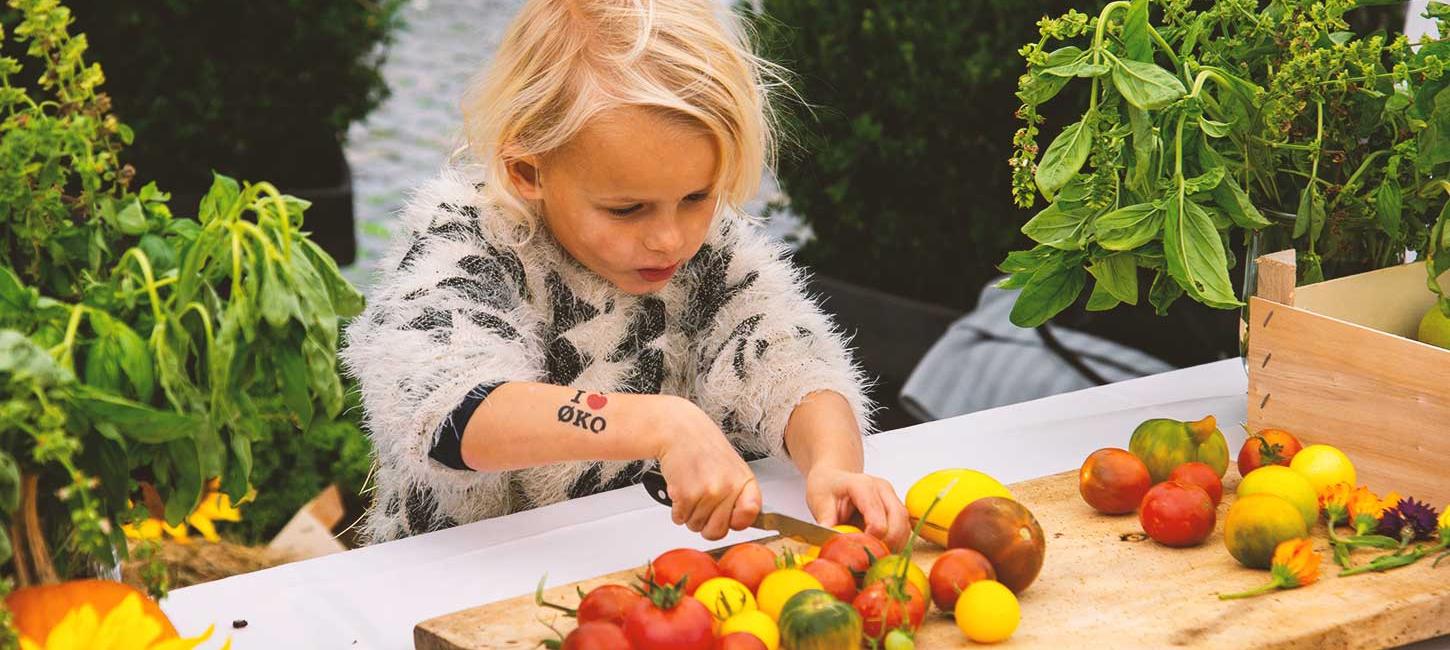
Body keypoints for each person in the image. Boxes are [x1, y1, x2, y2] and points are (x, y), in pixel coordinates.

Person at [341, 0, 910, 549]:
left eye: (696, 196)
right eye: (626, 209)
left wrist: (833, 466)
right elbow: (449, 413)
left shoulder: (711, 251)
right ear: (525, 170)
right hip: (458, 581)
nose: (671, 238)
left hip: (643, 567)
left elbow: (792, 364)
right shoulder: (461, 242)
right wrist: (663, 423)